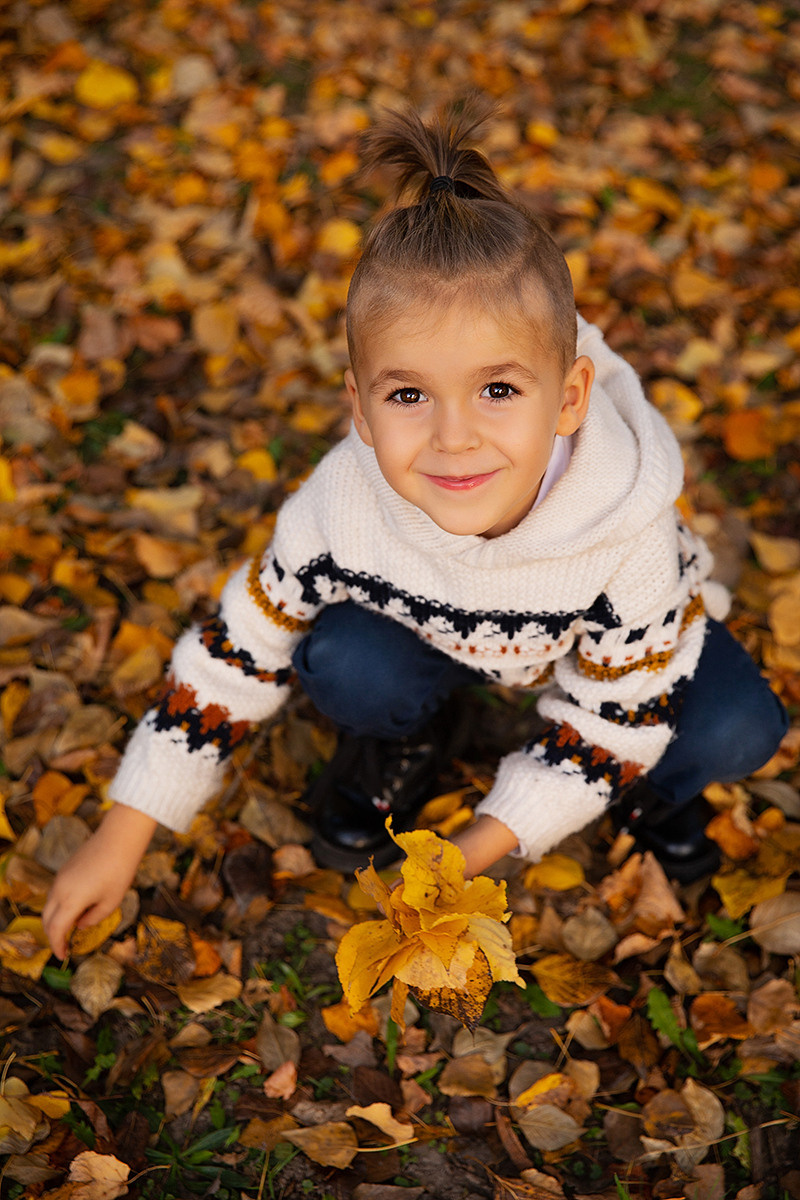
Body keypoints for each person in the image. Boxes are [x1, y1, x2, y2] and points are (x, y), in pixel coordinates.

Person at [42, 100, 788, 959]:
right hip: (436, 631)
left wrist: (474, 849)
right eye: (408, 395)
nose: (453, 436)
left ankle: (660, 793)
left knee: (735, 726)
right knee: (347, 660)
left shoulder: (627, 532)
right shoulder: (343, 503)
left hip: (604, 662)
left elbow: (618, 718)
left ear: (571, 397)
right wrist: (122, 833)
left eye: (498, 390)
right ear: (359, 408)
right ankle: (411, 733)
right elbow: (239, 647)